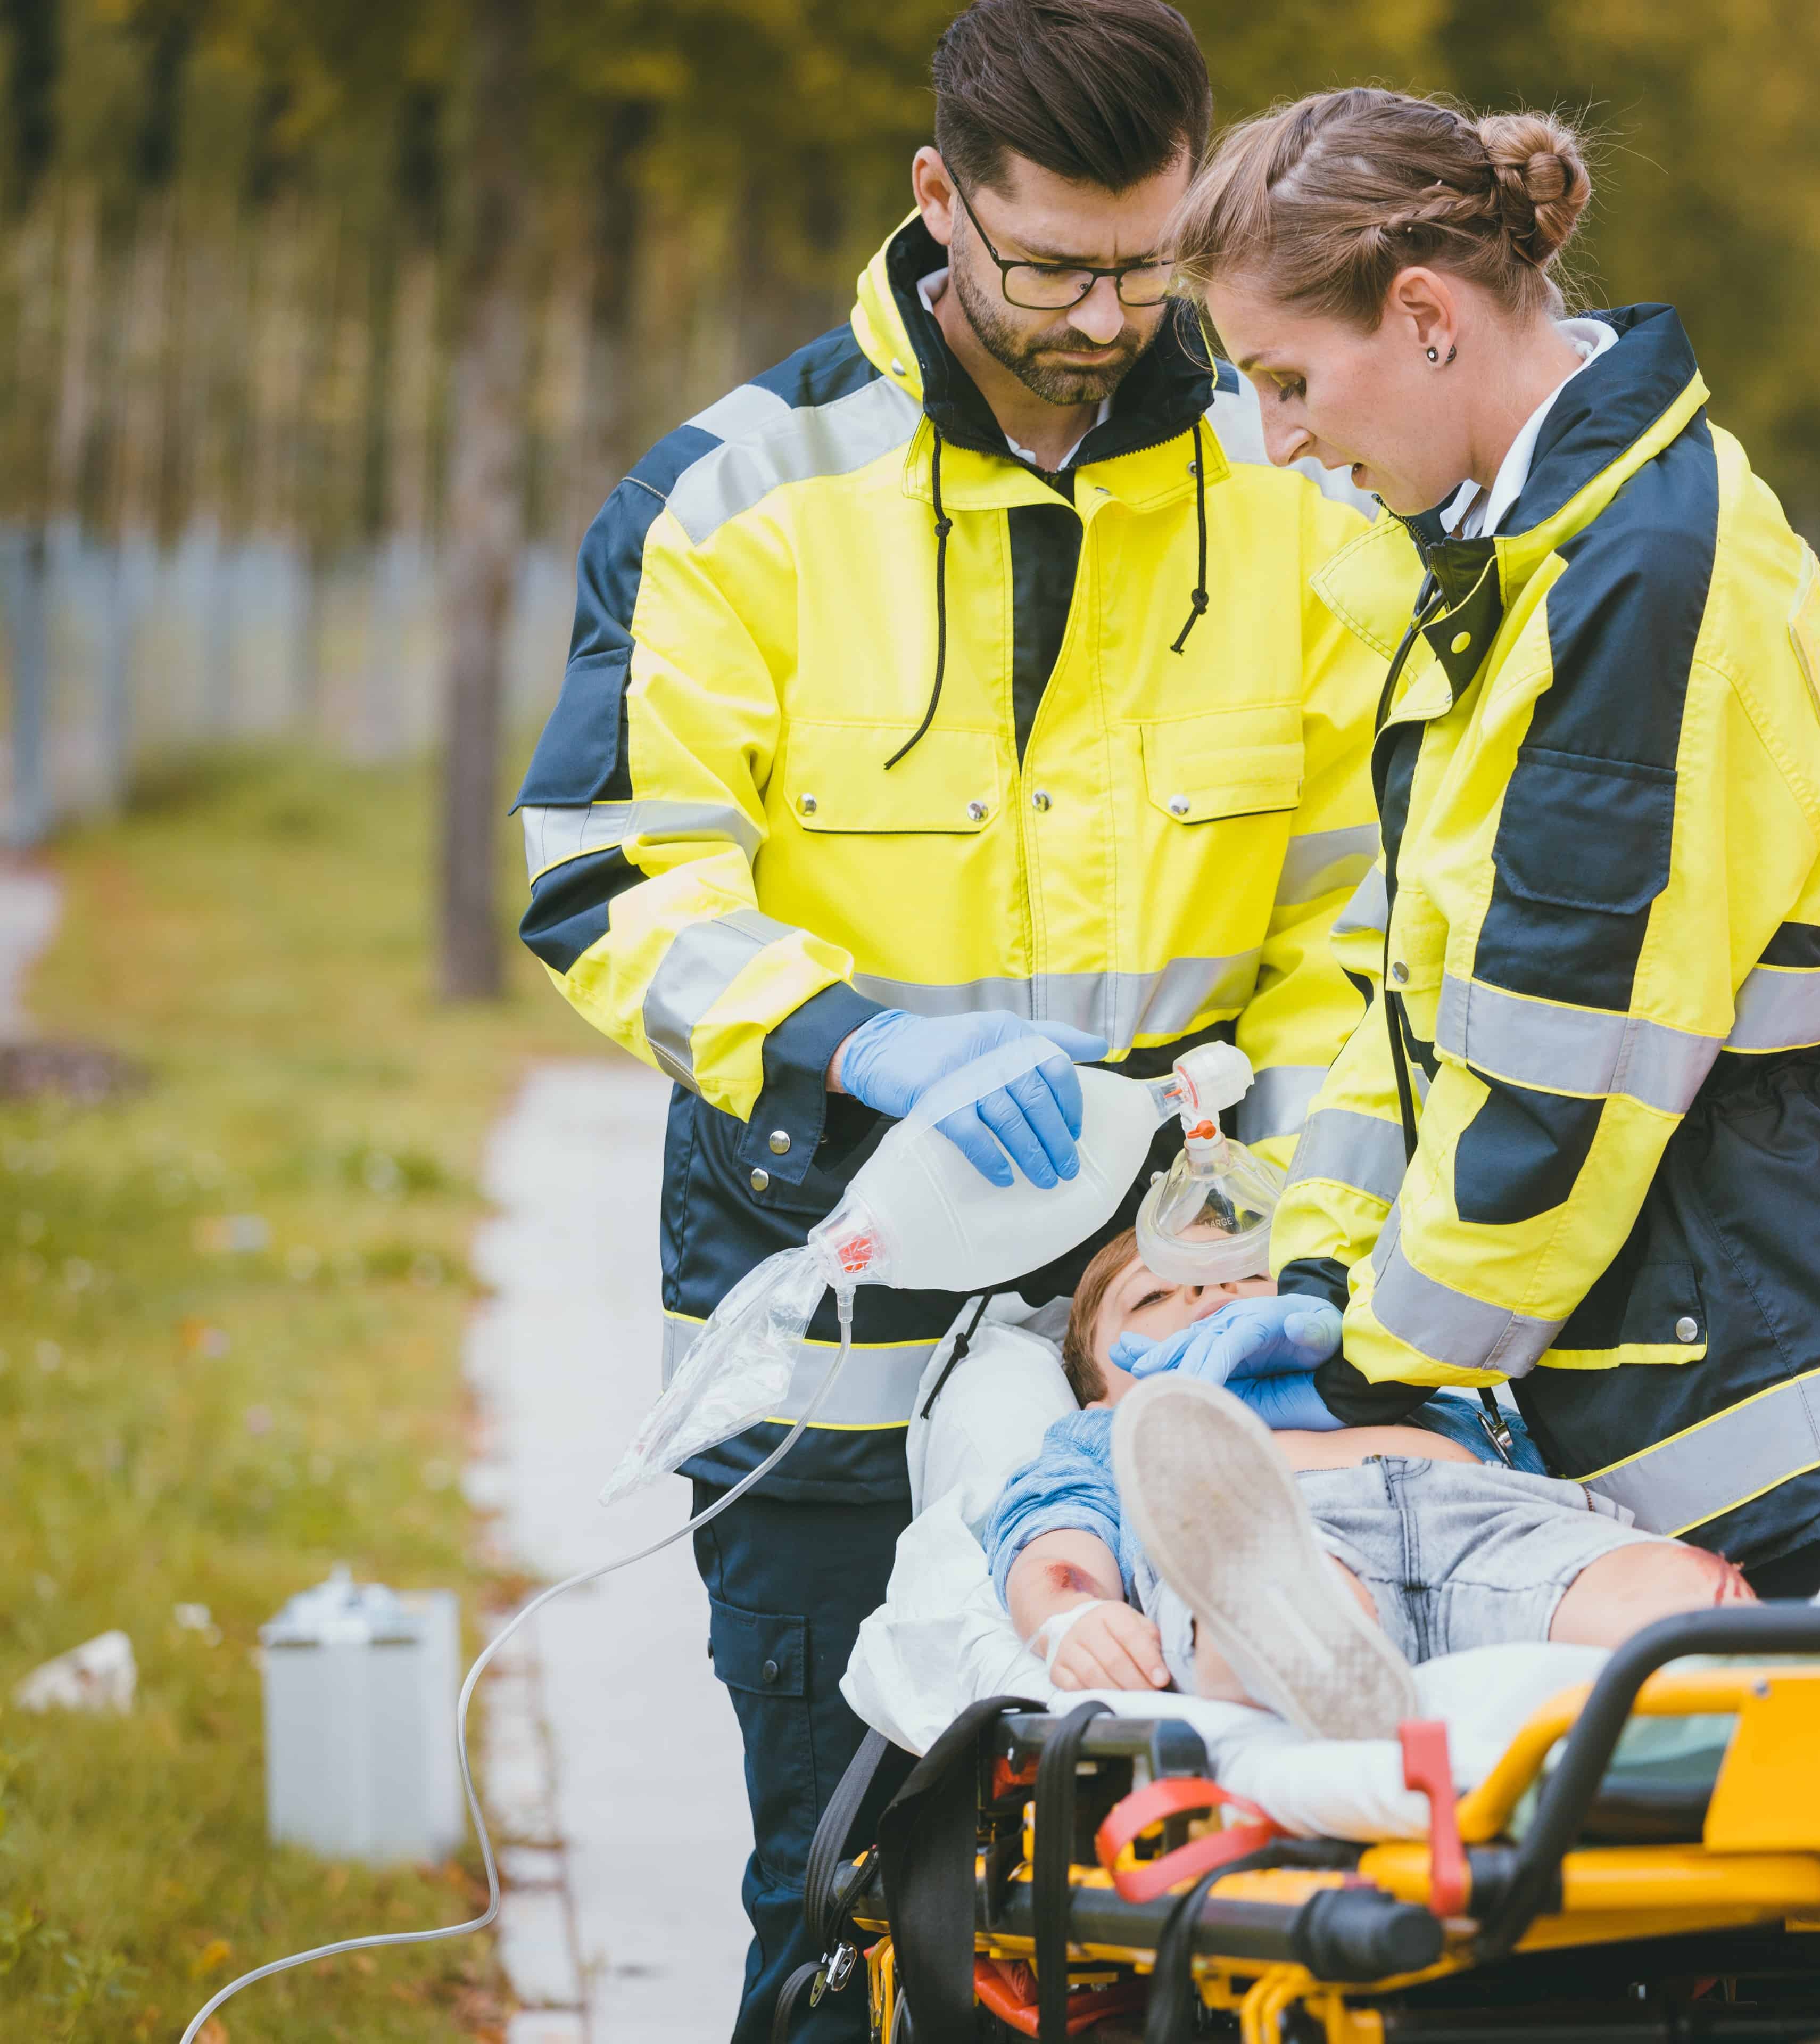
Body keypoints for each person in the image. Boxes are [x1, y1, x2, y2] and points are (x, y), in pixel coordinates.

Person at [506, 6, 1395, 2033]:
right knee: (838, 1900)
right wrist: (857, 1043)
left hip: (1178, 1352)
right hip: (832, 1341)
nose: (1103, 317)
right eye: (1051, 264)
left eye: (1148, 263)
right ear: (939, 202)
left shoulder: (1300, 500)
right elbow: (611, 873)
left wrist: (1285, 1227)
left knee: (1208, 1921)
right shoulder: (739, 495)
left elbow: (1362, 936)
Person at [1159, 90, 1820, 1600]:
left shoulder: (1635, 580)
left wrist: (1374, 1366)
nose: (1282, 443)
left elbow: (1565, 1076)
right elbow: (1425, 1004)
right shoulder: (1525, 556)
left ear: (1426, 316)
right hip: (1720, 1331)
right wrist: (1315, 1272)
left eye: (1289, 381)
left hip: (1780, 1385)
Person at [988, 1232, 1820, 1736]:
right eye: (1160, 1301)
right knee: (1266, 1601)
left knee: (1665, 1598)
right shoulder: (1112, 1441)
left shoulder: (1416, 1394)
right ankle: (1312, 1658)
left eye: (1245, 1278)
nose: (1216, 1299)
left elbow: (1534, 1470)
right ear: (1095, 1386)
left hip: (1493, 1523)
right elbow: (1055, 1548)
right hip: (1274, 1539)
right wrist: (1071, 1620)